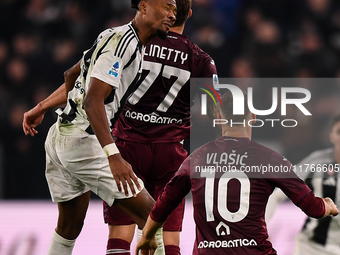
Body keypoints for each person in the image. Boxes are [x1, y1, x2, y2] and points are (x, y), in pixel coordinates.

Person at [22, 1, 176, 254]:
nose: (172, 14)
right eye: (167, 6)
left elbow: (73, 75)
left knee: (68, 227)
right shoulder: (125, 44)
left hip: (60, 136)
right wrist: (113, 155)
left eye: (175, 10)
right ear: (144, 6)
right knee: (152, 217)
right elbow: (93, 100)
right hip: (84, 142)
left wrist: (41, 106)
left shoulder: (112, 35)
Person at [135, 90, 339, 255]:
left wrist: (148, 234)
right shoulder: (268, 158)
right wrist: (327, 206)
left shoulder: (197, 158)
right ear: (253, 117)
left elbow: (165, 202)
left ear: (218, 118)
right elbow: (312, 208)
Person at [103, 0, 218, 254]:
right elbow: (215, 111)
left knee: (121, 231)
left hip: (128, 148)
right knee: (169, 235)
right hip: (171, 153)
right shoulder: (202, 59)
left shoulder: (137, 42)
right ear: (188, 13)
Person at [266, 113, 340, 255]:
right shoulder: (318, 163)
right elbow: (277, 195)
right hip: (313, 248)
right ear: (331, 136)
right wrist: (262, 229)